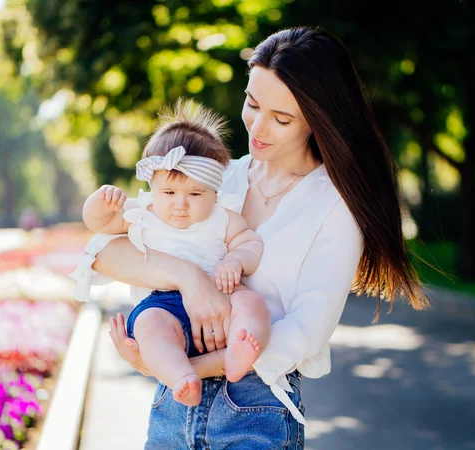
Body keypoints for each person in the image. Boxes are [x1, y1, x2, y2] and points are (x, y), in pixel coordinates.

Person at [91, 27, 429, 449]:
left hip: (256, 408)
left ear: (316, 120)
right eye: (252, 103)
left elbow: (305, 333)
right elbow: (105, 252)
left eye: (281, 118)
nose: (258, 126)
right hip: (171, 410)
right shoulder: (215, 176)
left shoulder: (335, 206)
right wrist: (189, 280)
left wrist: (185, 366)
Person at [70, 100, 271, 406]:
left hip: (220, 295)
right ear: (153, 188)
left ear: (215, 193)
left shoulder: (223, 217)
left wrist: (235, 259)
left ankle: (242, 347)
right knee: (149, 326)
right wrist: (99, 204)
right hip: (162, 303)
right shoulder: (143, 213)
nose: (180, 204)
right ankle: (182, 377)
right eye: (169, 193)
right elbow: (100, 226)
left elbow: (250, 243)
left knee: (251, 302)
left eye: (194, 194)